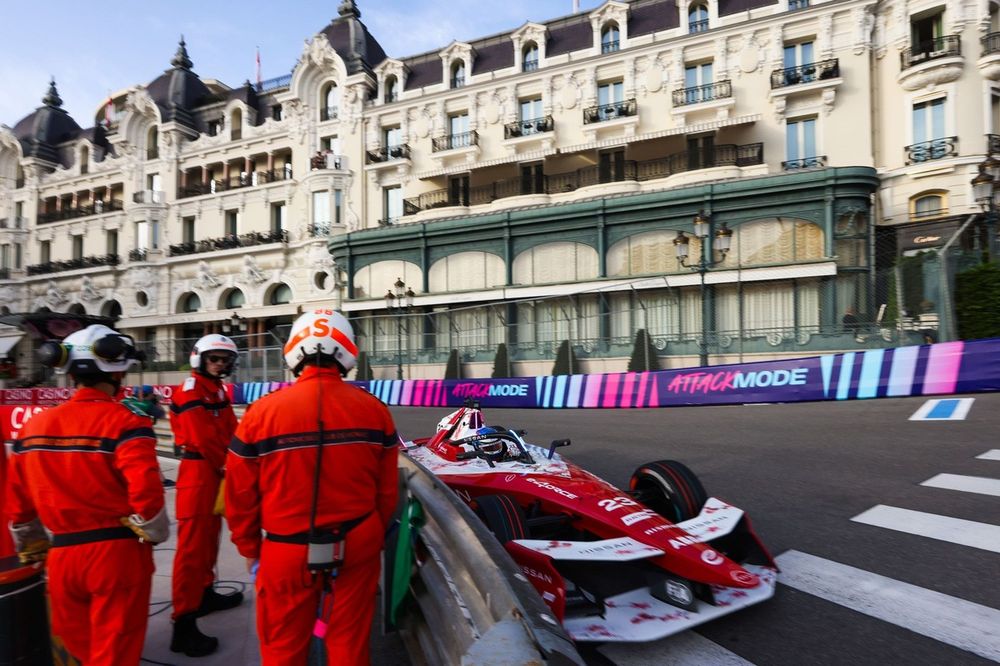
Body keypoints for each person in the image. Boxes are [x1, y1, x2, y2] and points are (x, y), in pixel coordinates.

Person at [226, 309, 399, 665]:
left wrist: (248, 547)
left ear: (293, 351)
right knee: (349, 645)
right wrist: (369, 535)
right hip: (358, 542)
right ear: (348, 352)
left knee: (282, 649)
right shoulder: (375, 410)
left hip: (285, 549)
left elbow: (239, 494)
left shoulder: (260, 413)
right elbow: (386, 492)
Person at [5, 325, 167, 665]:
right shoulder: (124, 422)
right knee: (115, 654)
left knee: (81, 650)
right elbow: (147, 493)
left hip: (63, 558)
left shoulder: (33, 428)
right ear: (117, 370)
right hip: (116, 555)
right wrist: (150, 535)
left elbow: (17, 500)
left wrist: (31, 544)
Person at [169, 334, 243, 657]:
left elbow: (231, 429)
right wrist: (229, 465)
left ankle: (204, 594)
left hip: (214, 471)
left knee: (210, 539)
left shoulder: (216, 390)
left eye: (225, 360)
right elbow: (201, 438)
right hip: (199, 473)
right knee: (191, 550)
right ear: (200, 358)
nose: (220, 364)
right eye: (215, 359)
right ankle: (182, 624)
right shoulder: (190, 390)